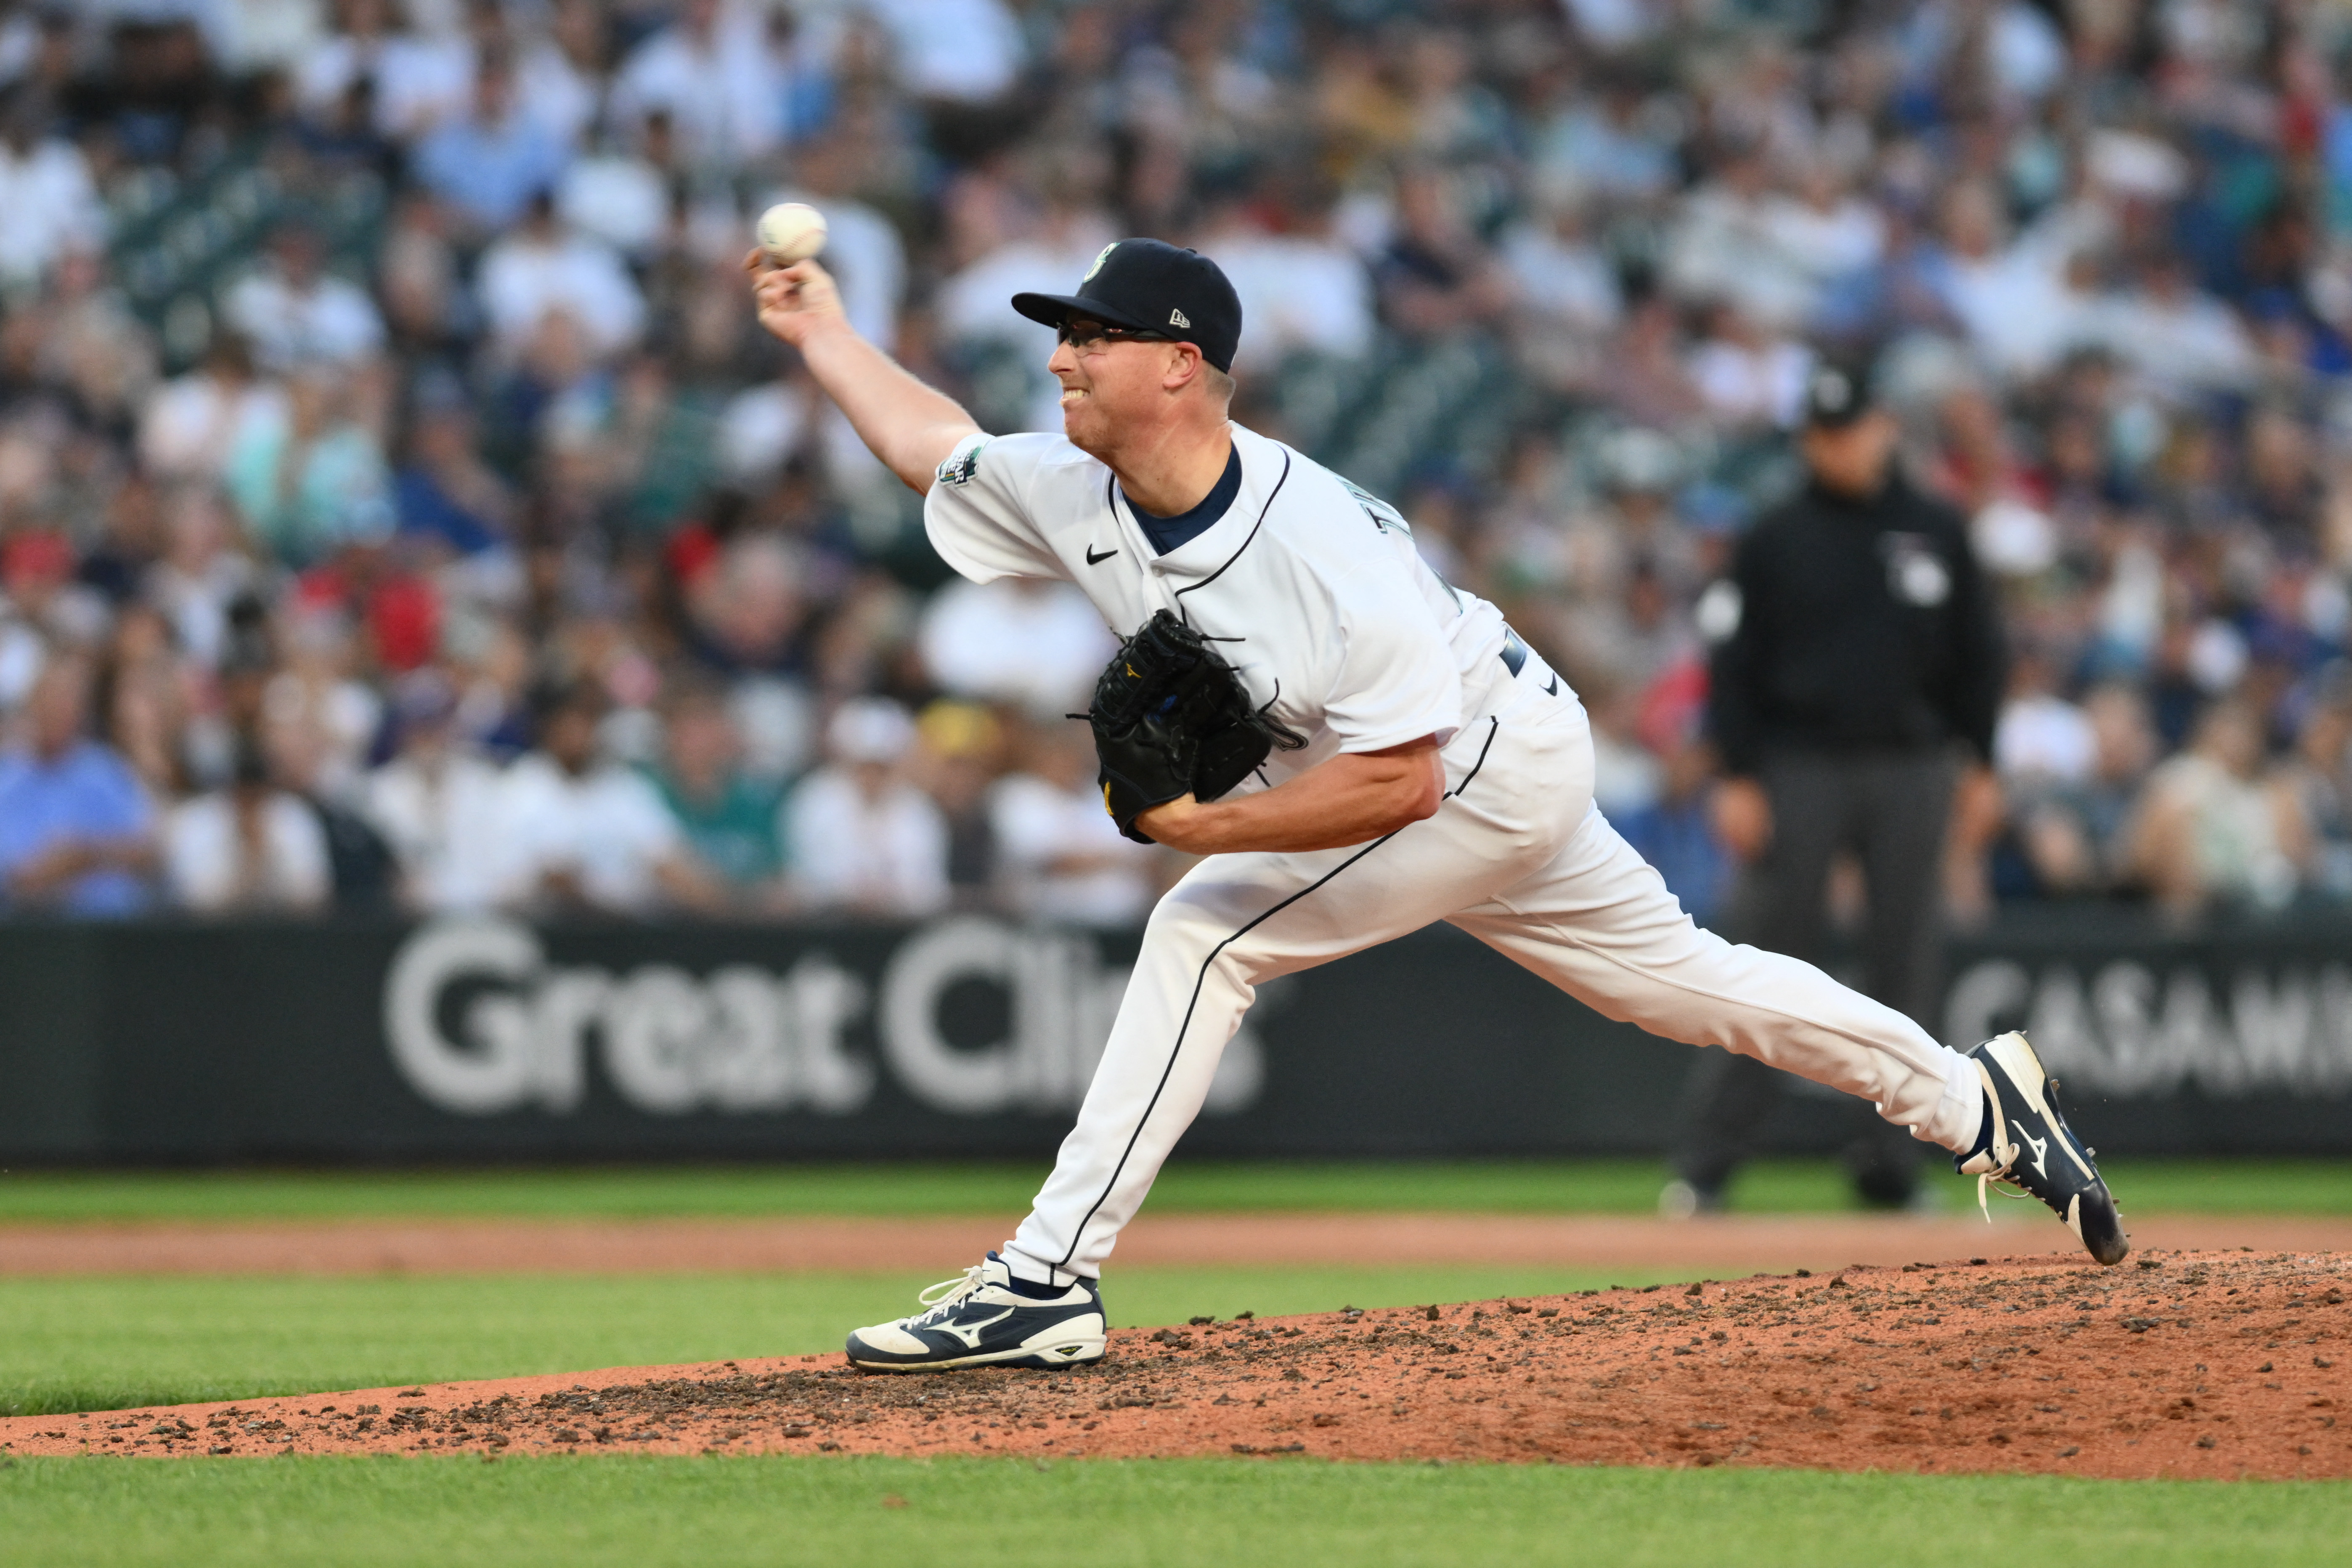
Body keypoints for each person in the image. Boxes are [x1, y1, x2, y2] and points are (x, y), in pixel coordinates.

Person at [745, 236, 2126, 1375]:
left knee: (1207, 932)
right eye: (1062, 335)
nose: (1059, 357)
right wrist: (825, 335)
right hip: (1493, 755)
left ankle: (1048, 1275)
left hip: (1479, 758)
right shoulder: (1076, 487)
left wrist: (1198, 832)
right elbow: (937, 446)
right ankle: (1969, 1095)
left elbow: (1400, 779)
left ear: (1179, 365)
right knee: (1683, 980)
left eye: (1089, 337)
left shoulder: (1315, 543)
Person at [1667, 363, 2006, 1217]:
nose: (1836, 447)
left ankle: (1891, 1169)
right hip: (1797, 766)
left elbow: (1979, 653)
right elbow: (1730, 665)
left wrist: (1983, 762)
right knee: (1764, 963)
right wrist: (1735, 773)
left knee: (1904, 966)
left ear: (1882, 426)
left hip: (1911, 764)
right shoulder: (1773, 535)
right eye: (1820, 434)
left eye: (1847, 429)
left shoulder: (1934, 527)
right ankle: (1708, 1165)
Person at [0, 657, 157, 916]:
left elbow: (147, 852)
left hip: (109, 931)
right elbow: (14, 876)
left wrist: (87, 854)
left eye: (66, 706)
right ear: (32, 708)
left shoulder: (106, 772)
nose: (57, 715)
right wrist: (51, 869)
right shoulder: (8, 778)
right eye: (49, 704)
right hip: (27, 931)